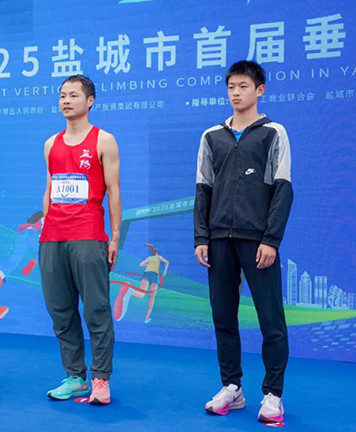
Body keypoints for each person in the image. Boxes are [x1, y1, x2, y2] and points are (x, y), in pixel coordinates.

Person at [193, 61, 293, 423]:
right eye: (231, 87)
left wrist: (271, 239)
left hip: (257, 241)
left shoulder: (273, 133)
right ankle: (231, 388)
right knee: (223, 316)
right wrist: (201, 237)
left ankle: (273, 394)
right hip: (219, 239)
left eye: (244, 86)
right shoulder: (211, 137)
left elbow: (283, 189)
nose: (236, 93)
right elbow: (202, 190)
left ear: (260, 90)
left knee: (271, 319)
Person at [39, 75, 121, 405]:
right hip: (52, 238)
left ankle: (100, 378)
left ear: (90, 101)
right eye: (62, 95)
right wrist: (45, 228)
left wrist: (114, 236)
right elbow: (49, 188)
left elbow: (114, 191)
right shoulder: (50, 143)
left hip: (88, 236)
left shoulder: (104, 140)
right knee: (60, 310)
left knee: (97, 310)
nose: (66, 101)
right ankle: (75, 376)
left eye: (73, 95)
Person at [113, 243, 169, 323]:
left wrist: (148, 264)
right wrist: (164, 272)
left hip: (147, 273)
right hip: (154, 275)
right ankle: (147, 318)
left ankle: (130, 290)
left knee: (141, 294)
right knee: (151, 298)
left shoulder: (149, 258)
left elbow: (141, 264)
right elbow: (167, 262)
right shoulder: (159, 257)